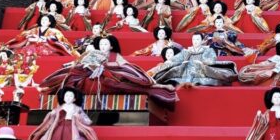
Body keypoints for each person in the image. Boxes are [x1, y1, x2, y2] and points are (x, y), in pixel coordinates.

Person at [40, 35, 178, 109]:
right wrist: (83, 66)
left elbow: (126, 68)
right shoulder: (91, 53)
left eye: (106, 44)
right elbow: (77, 64)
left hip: (109, 79)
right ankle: (50, 87)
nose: (103, 46)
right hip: (88, 79)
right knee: (71, 73)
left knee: (122, 82)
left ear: (111, 46)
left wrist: (106, 68)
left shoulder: (115, 56)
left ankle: (158, 86)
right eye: (101, 44)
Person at [25, 88, 103, 140]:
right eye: (66, 96)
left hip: (71, 130)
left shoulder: (77, 109)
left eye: (71, 96)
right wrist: (51, 114)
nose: (68, 98)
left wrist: (78, 116)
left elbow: (87, 121)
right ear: (63, 97)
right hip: (57, 129)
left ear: (74, 99)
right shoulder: (58, 108)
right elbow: (47, 121)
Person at [151, 32, 239, 86]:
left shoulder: (208, 50)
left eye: (197, 39)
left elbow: (213, 60)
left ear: (202, 41)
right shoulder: (186, 51)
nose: (195, 41)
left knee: (215, 79)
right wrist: (178, 62)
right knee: (169, 72)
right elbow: (175, 59)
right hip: (186, 71)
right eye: (193, 39)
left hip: (203, 71)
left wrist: (203, 62)